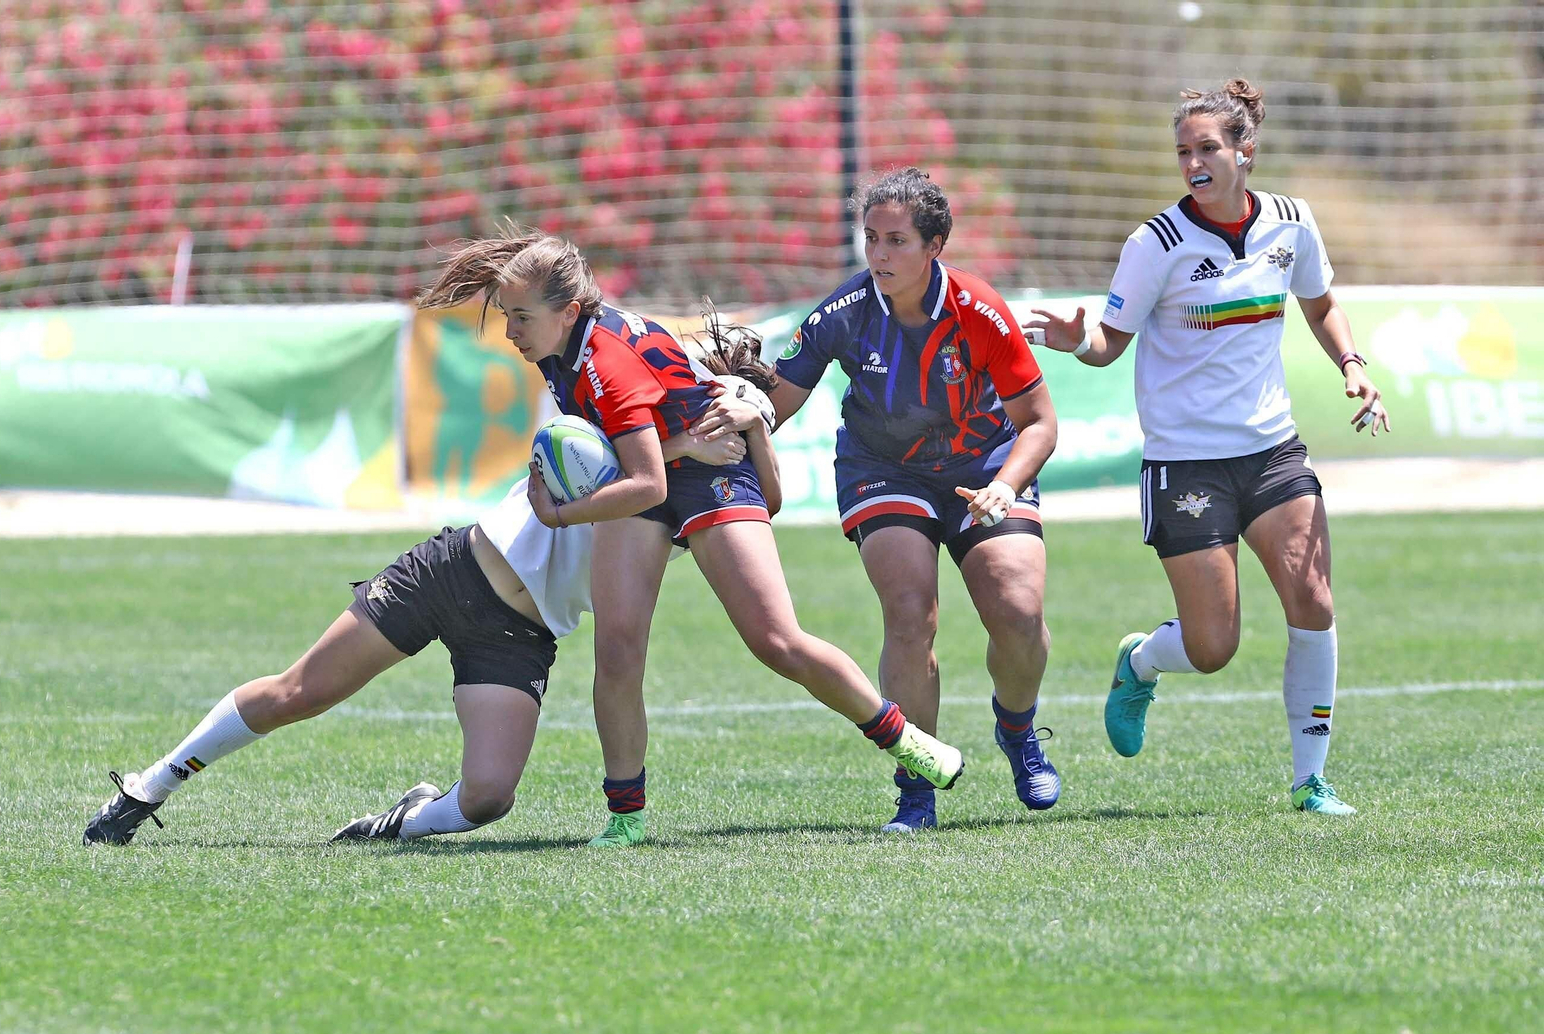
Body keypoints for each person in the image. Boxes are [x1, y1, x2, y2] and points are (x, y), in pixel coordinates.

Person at [416, 226, 966, 846]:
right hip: (668, 465)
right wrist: (682, 441)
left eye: (518, 317)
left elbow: (650, 483)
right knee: (618, 651)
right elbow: (652, 454)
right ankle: (625, 821)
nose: (510, 331)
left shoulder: (602, 361)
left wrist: (560, 515)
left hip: (710, 476)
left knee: (776, 641)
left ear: (568, 311)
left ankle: (905, 739)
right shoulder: (557, 346)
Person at [82, 410, 755, 848]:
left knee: (488, 800)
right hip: (452, 572)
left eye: (739, 427)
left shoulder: (712, 509)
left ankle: (401, 820)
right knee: (301, 692)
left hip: (517, 635)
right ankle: (150, 786)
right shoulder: (631, 426)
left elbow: (754, 501)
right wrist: (683, 439)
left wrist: (746, 435)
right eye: (717, 415)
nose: (723, 430)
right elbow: (582, 453)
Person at [1023, 79, 1390, 816]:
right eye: (1183, 150)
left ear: (1244, 151)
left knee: (1313, 600)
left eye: (1207, 148)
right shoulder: (1154, 243)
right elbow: (1111, 342)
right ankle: (1141, 660)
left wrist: (1352, 365)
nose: (1193, 161)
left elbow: (1320, 303)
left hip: (1273, 452)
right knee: (1214, 646)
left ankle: (1310, 779)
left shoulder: (1292, 223)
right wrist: (1077, 341)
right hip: (1185, 462)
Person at [697, 167, 1060, 832]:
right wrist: (730, 407)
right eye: (871, 239)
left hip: (984, 466)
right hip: (881, 469)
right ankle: (916, 786)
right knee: (909, 610)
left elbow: (1039, 422)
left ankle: (1017, 729)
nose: (880, 255)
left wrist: (1005, 486)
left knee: (1017, 610)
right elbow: (775, 406)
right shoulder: (843, 313)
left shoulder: (980, 311)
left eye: (896, 240)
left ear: (935, 245)